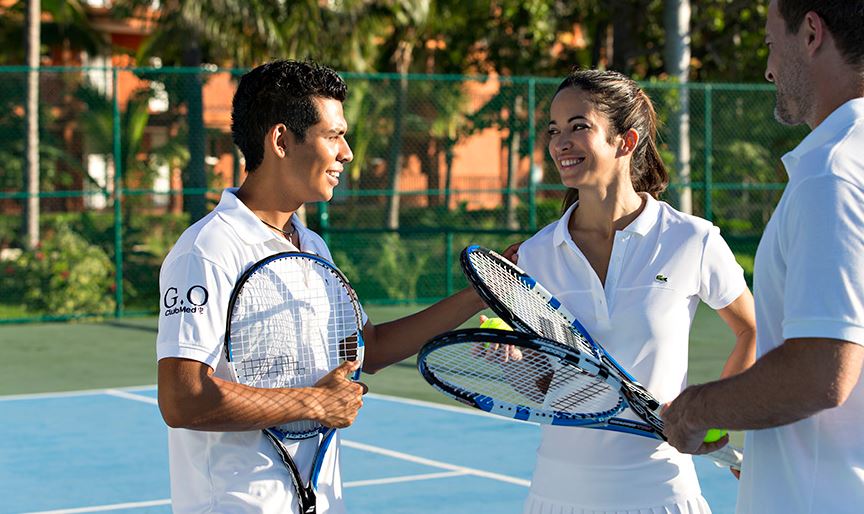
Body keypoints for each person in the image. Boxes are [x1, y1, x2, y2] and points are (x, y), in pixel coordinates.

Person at [155, 59, 487, 514]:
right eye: (334, 135)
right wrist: (315, 402)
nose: (347, 152)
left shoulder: (310, 245)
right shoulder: (208, 249)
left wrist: (479, 292)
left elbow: (369, 347)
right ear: (281, 140)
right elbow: (182, 399)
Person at [514, 69, 757, 514]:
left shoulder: (692, 240)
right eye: (554, 130)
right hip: (556, 496)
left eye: (578, 127)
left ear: (625, 142)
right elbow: (542, 384)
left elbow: (753, 330)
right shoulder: (534, 256)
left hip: (661, 494)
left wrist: (711, 414)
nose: (560, 143)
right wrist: (518, 364)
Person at [661, 1, 864, 512]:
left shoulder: (833, 172)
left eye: (773, 43)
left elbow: (821, 373)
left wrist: (696, 408)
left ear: (812, 33)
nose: (769, 68)